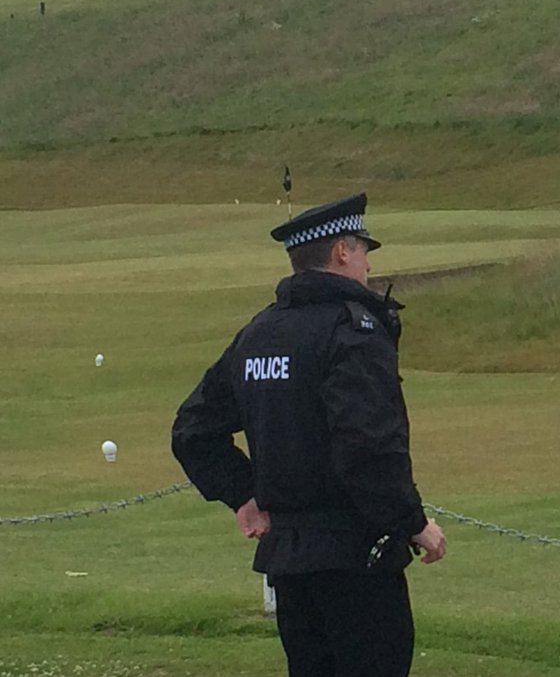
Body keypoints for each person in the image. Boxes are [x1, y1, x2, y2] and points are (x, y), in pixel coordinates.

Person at [172, 192, 446, 677]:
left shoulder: (259, 334)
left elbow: (193, 430)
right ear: (342, 251)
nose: (366, 263)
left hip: (290, 559)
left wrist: (245, 495)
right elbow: (367, 448)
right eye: (363, 249)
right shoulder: (353, 333)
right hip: (357, 555)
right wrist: (413, 522)